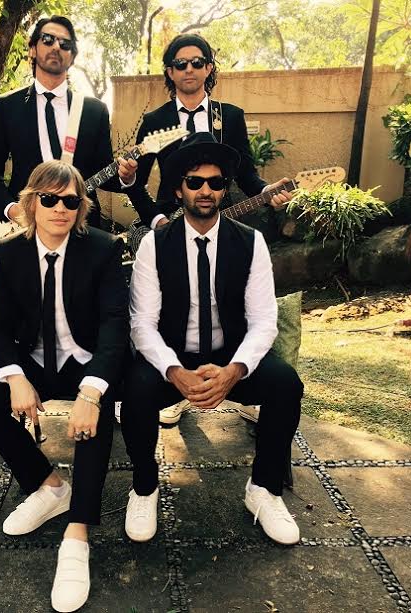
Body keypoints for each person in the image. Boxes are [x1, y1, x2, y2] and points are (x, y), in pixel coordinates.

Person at [121, 132, 303, 547]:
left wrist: (234, 371)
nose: (205, 190)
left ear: (225, 189)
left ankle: (264, 489)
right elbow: (142, 323)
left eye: (216, 182)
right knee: (135, 389)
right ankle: (144, 488)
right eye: (195, 182)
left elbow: (264, 320)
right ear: (178, 189)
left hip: (230, 356)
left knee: (285, 384)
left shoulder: (251, 242)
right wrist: (174, 372)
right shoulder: (154, 245)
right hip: (174, 357)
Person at [0, 160, 129, 612]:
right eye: (49, 199)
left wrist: (91, 392)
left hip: (86, 359)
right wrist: (15, 376)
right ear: (31, 203)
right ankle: (51, 486)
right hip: (35, 359)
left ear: (80, 208)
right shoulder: (11, 251)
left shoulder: (102, 249)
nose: (60, 208)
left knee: (93, 416)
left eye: (70, 201)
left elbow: (115, 325)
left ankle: (78, 533)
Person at [125, 32, 292, 425]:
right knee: (173, 303)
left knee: (227, 296)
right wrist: (156, 220)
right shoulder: (155, 121)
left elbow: (245, 173)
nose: (189, 69)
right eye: (180, 64)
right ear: (170, 72)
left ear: (209, 68)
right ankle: (178, 386)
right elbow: (136, 183)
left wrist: (265, 191)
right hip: (170, 223)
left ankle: (237, 379)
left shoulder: (227, 116)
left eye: (197, 62)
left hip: (217, 217)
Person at [0, 15, 137, 229]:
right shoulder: (8, 106)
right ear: (32, 49)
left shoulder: (94, 111)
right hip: (26, 227)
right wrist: (11, 209)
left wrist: (126, 177)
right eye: (48, 39)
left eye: (65, 44)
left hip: (81, 226)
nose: (56, 46)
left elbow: (104, 173)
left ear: (72, 57)